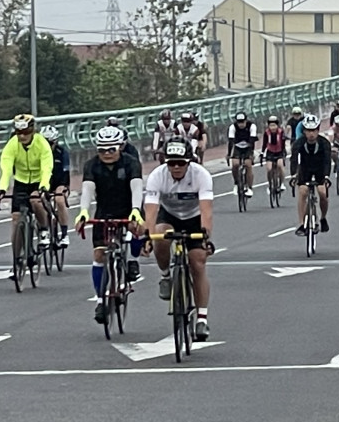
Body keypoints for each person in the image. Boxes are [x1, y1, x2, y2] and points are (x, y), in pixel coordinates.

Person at [142, 137, 215, 340]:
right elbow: (151, 210)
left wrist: (206, 237)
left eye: (180, 163)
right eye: (171, 162)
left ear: (189, 162)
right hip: (169, 215)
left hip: (194, 217)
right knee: (160, 236)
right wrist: (148, 237)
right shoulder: (157, 176)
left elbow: (206, 211)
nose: (175, 167)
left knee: (197, 263)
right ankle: (165, 275)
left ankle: (201, 319)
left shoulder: (201, 175)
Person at [76, 126, 145, 321]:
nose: (106, 154)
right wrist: (83, 212)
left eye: (111, 149)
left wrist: (135, 211)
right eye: (101, 150)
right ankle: (100, 301)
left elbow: (137, 189)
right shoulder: (91, 165)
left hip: (128, 205)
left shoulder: (131, 163)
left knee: (137, 226)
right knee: (99, 254)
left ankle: (133, 260)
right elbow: (88, 190)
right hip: (104, 210)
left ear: (120, 147)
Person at [0, 113, 53, 254]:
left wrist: (44, 186)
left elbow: (47, 168)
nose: (22, 136)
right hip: (21, 181)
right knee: (16, 220)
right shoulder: (12, 144)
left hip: (38, 180)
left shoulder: (42, 144)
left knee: (35, 201)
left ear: (33, 130)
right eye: (18, 132)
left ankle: (44, 230)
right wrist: (2, 188)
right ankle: (16, 261)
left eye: (26, 132)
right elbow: (6, 168)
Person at [291, 115, 331, 235]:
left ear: (318, 130)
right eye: (308, 131)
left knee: (322, 193)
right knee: (303, 192)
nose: (311, 134)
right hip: (305, 169)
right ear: (304, 131)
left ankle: (323, 218)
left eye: (314, 130)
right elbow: (294, 160)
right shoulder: (299, 143)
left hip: (320, 170)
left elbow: (327, 161)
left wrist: (326, 177)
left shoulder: (324, 143)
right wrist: (293, 175)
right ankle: (302, 224)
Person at [42, 126, 72, 245]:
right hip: (44, 181)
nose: (47, 146)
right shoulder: (39, 153)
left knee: (59, 200)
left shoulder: (62, 153)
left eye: (50, 143)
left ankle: (64, 234)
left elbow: (66, 172)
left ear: (55, 142)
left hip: (59, 181)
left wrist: (62, 189)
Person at [227, 111, 257, 198]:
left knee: (248, 165)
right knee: (235, 164)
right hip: (237, 146)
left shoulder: (252, 126)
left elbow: (252, 140)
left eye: (243, 122)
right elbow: (231, 141)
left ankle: (249, 187)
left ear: (246, 121)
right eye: (239, 122)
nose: (241, 124)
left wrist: (251, 154)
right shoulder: (232, 127)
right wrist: (229, 154)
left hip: (248, 146)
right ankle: (236, 182)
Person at [261, 115, 288, 194]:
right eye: (271, 125)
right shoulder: (266, 133)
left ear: (277, 125)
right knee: (269, 169)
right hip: (270, 152)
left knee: (280, 165)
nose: (273, 127)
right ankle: (270, 185)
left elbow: (283, 143)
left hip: (279, 152)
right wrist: (262, 153)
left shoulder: (281, 132)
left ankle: (282, 183)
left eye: (274, 125)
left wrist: (284, 152)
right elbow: (264, 143)